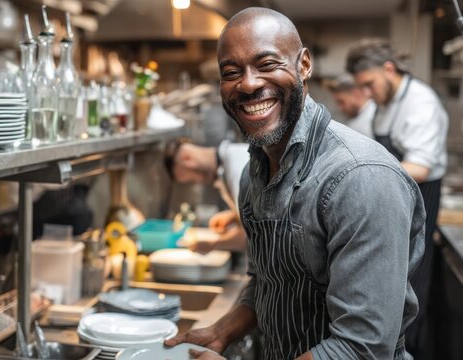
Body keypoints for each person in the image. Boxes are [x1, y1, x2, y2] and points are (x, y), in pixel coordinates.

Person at [166, 7, 425, 360]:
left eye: (267, 64)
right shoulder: (254, 172)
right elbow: (269, 282)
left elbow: (361, 347)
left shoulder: (360, 176)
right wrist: (222, 330)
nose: (249, 83)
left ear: (304, 65)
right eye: (231, 72)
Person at [346, 38, 449, 360]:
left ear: (388, 69)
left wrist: (362, 176)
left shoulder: (421, 102)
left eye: (370, 84)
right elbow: (355, 139)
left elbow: (420, 166)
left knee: (410, 288)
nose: (367, 93)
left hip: (418, 202)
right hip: (391, 203)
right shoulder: (381, 106)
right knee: (383, 288)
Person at [165, 139, 248, 254]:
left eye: (191, 180)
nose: (197, 183)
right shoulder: (228, 163)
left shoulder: (238, 168)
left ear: (186, 159)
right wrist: (233, 215)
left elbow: (253, 236)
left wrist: (213, 245)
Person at [325, 73, 375, 138]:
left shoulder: (369, 120)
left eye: (342, 102)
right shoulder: (360, 118)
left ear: (356, 95)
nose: (340, 108)